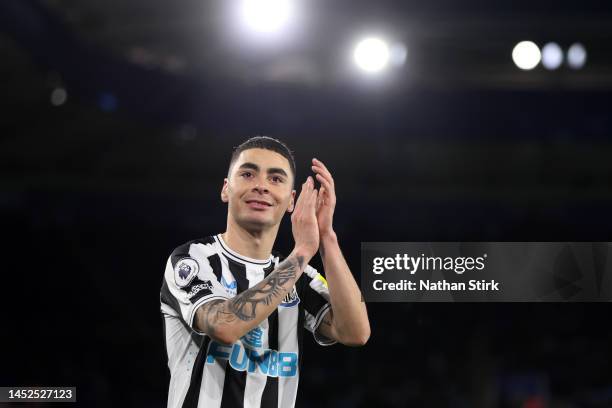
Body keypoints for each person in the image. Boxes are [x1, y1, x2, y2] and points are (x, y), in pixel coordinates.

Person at [160, 136, 370, 408]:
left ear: (291, 200)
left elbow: (356, 333)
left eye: (276, 179)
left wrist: (327, 237)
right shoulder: (192, 258)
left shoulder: (300, 277)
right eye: (247, 174)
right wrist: (304, 251)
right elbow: (223, 326)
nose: (261, 186)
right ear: (226, 189)